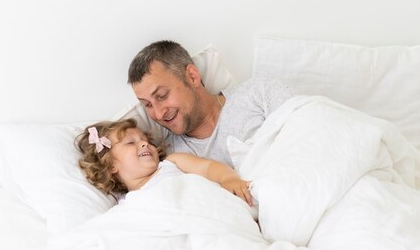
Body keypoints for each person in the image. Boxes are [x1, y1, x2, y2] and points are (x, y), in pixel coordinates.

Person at [127, 40, 297, 166]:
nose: (158, 113)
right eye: (147, 105)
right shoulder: (171, 159)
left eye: (162, 95)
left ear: (192, 76)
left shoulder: (259, 92)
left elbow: (309, 129)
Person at [75, 118, 253, 206]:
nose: (144, 143)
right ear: (111, 165)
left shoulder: (171, 163)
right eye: (131, 142)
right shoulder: (126, 205)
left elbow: (208, 167)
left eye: (146, 140)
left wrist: (228, 179)